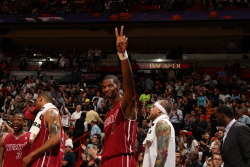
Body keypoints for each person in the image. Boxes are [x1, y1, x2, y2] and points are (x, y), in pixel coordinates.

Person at [101, 26, 137, 167]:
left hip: (122, 159)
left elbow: (129, 83)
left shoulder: (125, 104)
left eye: (110, 85)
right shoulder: (108, 112)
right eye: (104, 87)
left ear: (118, 86)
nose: (106, 89)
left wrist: (123, 55)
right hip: (107, 159)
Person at [22, 91, 65, 167]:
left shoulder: (51, 112)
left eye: (36, 100)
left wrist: (31, 155)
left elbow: (55, 139)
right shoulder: (44, 114)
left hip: (45, 161)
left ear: (40, 98)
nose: (35, 104)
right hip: (40, 160)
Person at [143, 100, 175, 166]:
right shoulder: (157, 123)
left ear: (159, 110)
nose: (150, 109)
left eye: (153, 107)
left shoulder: (162, 123)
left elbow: (163, 153)